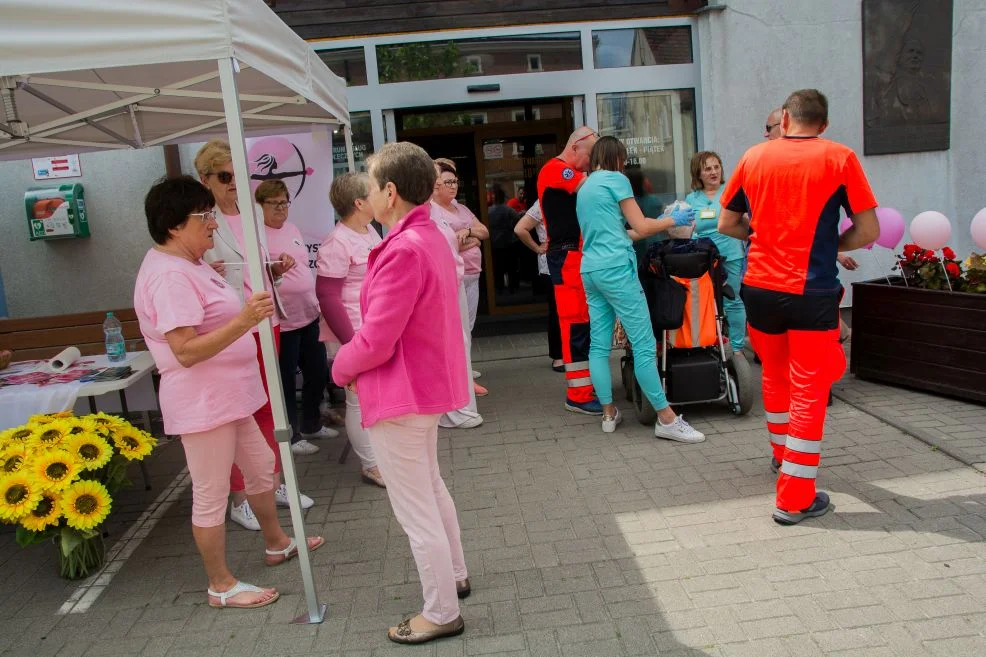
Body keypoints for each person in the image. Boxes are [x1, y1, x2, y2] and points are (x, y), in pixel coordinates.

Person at [134, 176, 323, 609]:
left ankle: (275, 543)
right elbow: (183, 350)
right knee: (211, 492)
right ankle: (220, 585)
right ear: (175, 224)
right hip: (205, 403)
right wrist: (244, 320)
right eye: (205, 216)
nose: (214, 225)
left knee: (259, 469)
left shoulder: (190, 264)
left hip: (229, 397)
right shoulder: (169, 276)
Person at [719, 89, 879, 525]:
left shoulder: (754, 157)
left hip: (759, 288)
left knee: (775, 373)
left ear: (785, 118)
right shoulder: (839, 157)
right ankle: (794, 498)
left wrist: (763, 236)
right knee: (809, 387)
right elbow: (868, 230)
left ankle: (781, 457)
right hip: (811, 291)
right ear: (823, 125)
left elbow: (727, 222)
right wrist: (830, 246)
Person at [332, 143, 469, 644]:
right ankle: (453, 578)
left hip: (402, 391)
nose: (367, 196)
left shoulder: (405, 247)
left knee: (417, 508)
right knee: (430, 490)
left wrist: (340, 367)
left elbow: (375, 338)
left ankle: (441, 610)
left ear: (390, 192)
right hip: (421, 387)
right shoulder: (429, 236)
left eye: (370, 187)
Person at [195, 139, 315, 530]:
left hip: (268, 321)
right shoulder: (201, 220)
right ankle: (240, 496)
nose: (234, 183)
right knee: (238, 413)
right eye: (225, 176)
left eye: (240, 175)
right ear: (205, 179)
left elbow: (254, 270)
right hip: (232, 327)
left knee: (271, 406)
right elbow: (195, 272)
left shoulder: (251, 214)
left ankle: (274, 483)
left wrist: (275, 269)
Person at [575, 136, 706, 442]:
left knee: (598, 346)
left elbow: (621, 232)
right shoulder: (616, 179)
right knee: (644, 344)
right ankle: (666, 418)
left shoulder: (585, 187)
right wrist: (673, 219)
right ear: (617, 158)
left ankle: (608, 414)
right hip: (617, 271)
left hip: (591, 269)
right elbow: (644, 227)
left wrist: (659, 221)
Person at [256, 180, 338, 457]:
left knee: (317, 373)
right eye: (274, 203)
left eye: (284, 202)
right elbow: (259, 278)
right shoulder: (256, 236)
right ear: (260, 206)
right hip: (284, 321)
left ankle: (312, 423)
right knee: (286, 380)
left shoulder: (291, 229)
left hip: (308, 314)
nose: (281, 208)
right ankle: (291, 435)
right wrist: (276, 272)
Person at [315, 173, 386, 488]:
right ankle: (371, 465)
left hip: (375, 328)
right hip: (353, 333)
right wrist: (352, 344)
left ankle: (382, 455)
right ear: (359, 202)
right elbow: (327, 297)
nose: (379, 194)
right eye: (373, 191)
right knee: (358, 399)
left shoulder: (369, 229)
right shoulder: (336, 242)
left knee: (376, 395)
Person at [536, 126, 602, 415]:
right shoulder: (556, 170)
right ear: (576, 146)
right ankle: (579, 394)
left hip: (572, 256)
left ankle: (584, 388)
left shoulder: (561, 170)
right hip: (567, 257)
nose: (591, 163)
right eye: (591, 156)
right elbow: (585, 187)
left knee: (580, 324)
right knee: (575, 324)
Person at [430, 163, 488, 419]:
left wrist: (466, 233)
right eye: (448, 182)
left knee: (469, 328)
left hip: (472, 275)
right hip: (454, 278)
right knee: (457, 332)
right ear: (435, 186)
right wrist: (467, 239)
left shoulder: (461, 208)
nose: (453, 186)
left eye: (455, 182)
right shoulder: (432, 211)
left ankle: (466, 372)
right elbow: (444, 245)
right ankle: (460, 381)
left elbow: (483, 232)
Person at [685, 151, 748, 355]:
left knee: (733, 299)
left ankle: (737, 348)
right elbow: (687, 227)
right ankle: (710, 343)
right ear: (698, 173)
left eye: (716, 167)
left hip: (730, 253)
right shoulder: (691, 199)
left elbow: (745, 220)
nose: (713, 172)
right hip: (703, 257)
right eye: (707, 168)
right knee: (704, 301)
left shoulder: (732, 191)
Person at [514, 201, 564, 372]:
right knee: (557, 311)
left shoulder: (575, 196)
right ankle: (558, 356)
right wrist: (537, 248)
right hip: (551, 264)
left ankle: (571, 353)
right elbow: (520, 229)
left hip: (574, 261)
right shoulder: (543, 202)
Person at [488, 186, 520, 295]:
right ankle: (513, 287)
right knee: (511, 267)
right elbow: (518, 219)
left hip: (495, 243)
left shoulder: (489, 211)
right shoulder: (509, 210)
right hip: (508, 241)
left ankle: (499, 288)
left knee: (498, 268)